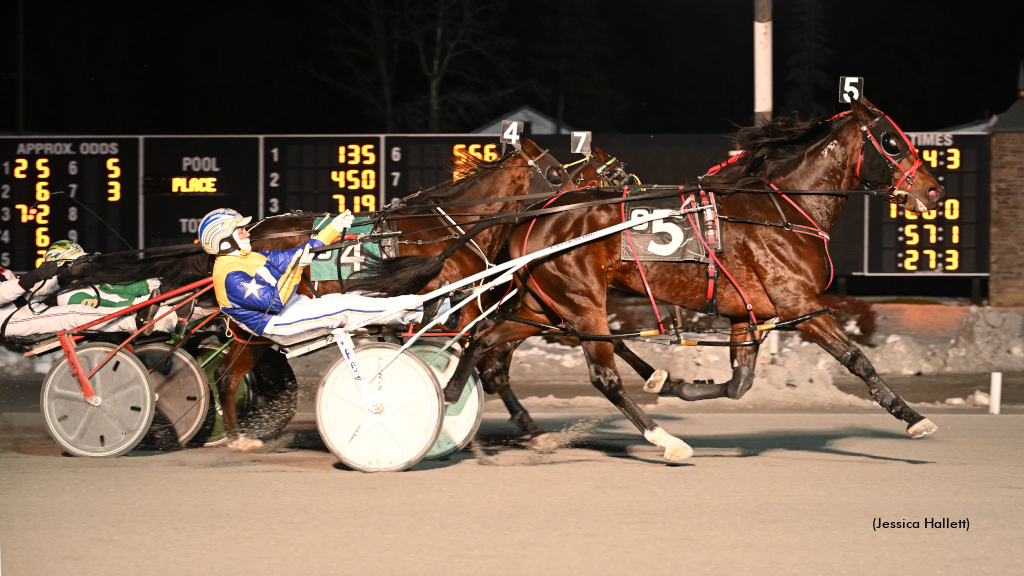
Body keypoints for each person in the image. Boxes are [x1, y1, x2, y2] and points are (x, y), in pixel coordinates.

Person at [199, 208, 454, 339]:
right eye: (240, 230)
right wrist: (298, 267)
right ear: (223, 240)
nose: (247, 232)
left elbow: (296, 253)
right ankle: (422, 312)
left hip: (294, 306)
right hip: (277, 321)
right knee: (347, 306)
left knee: (364, 293)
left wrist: (332, 228)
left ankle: (439, 309)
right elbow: (273, 303)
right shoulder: (230, 275)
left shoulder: (250, 256)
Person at [0, 241, 182, 340]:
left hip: (29, 305)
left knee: (78, 305)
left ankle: (172, 316)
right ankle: (137, 321)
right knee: (72, 315)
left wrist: (67, 273)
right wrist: (38, 274)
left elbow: (34, 291)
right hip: (13, 319)